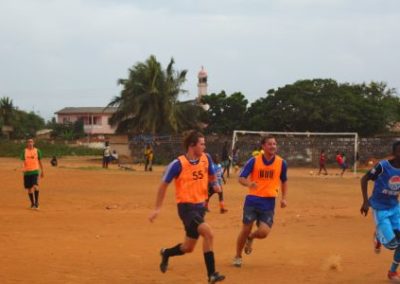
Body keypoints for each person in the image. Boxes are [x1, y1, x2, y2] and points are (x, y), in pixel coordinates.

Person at [148, 131, 225, 284]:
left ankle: (166, 253)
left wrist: (215, 184)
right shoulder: (178, 164)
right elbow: (163, 185)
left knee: (188, 247)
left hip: (200, 207)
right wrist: (157, 208)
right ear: (192, 145)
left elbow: (212, 174)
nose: (204, 146)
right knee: (208, 233)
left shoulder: (206, 158)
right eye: (202, 144)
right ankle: (212, 275)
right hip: (186, 208)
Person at [233, 135, 288, 268]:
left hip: (269, 202)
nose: (273, 146)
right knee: (245, 229)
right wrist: (249, 184)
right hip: (252, 200)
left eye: (274, 144)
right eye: (269, 144)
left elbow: (284, 180)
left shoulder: (281, 163)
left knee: (263, 232)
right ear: (263, 146)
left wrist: (284, 198)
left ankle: (251, 238)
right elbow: (241, 178)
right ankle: (238, 256)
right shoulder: (254, 161)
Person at [360, 141, 400, 281]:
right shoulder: (383, 166)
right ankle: (378, 235)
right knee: (392, 245)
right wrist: (366, 201)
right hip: (380, 208)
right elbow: (364, 179)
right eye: (399, 152)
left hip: (395, 207)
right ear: (394, 153)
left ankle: (392, 272)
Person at [20, 138, 44, 209]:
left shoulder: (37, 151)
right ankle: (32, 203)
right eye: (29, 142)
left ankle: (36, 202)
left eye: (31, 142)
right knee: (29, 189)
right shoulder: (24, 151)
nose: (30, 143)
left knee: (35, 186)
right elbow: (23, 161)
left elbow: (40, 161)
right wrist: (23, 168)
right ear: (27, 143)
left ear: (33, 143)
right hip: (27, 172)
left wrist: (42, 170)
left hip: (35, 171)